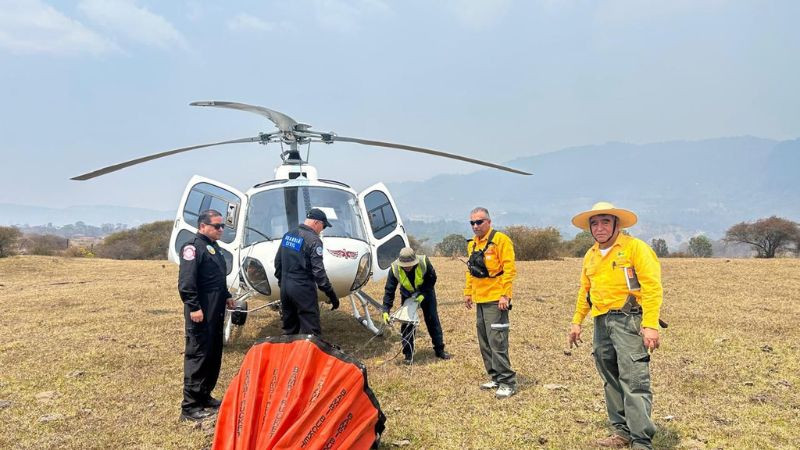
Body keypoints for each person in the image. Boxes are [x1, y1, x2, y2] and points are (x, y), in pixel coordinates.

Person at [567, 202, 664, 449]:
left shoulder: (635, 248)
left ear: (617, 225)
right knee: (610, 378)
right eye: (595, 223)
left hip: (629, 320)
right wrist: (577, 321)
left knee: (634, 379)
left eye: (605, 222)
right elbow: (585, 291)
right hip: (601, 322)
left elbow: (652, 288)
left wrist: (650, 324)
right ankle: (621, 432)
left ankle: (641, 440)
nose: (599, 228)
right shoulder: (590, 255)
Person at [178, 209, 234, 421]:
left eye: (222, 226)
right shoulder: (192, 248)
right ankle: (190, 406)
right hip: (201, 308)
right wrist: (194, 307)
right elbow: (186, 282)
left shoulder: (213, 246)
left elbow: (217, 276)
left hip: (216, 307)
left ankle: (204, 395)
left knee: (213, 353)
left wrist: (227, 295)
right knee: (199, 354)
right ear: (203, 226)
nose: (221, 230)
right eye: (217, 226)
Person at [463, 207, 517, 399]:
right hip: (480, 299)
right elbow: (471, 270)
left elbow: (509, 269)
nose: (475, 226)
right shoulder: (473, 244)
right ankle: (495, 376)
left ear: (489, 222)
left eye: (479, 222)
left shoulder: (501, 240)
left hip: (496, 300)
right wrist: (468, 292)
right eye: (472, 223)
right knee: (485, 341)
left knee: (497, 341)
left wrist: (505, 295)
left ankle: (507, 381)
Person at [274, 208, 339, 336]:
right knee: (311, 332)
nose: (322, 230)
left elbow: (278, 263)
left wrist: (284, 284)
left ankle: (289, 355)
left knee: (289, 330)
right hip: (303, 289)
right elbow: (319, 274)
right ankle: (310, 355)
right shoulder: (314, 240)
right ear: (316, 223)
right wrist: (331, 295)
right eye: (323, 226)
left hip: (286, 289)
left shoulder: (289, 235)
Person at [382, 247, 451, 364]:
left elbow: (432, 279)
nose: (407, 267)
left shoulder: (424, 262)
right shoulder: (394, 269)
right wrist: (385, 310)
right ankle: (408, 355)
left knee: (432, 320)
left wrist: (423, 294)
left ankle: (439, 350)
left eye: (410, 264)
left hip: (426, 292)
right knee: (407, 323)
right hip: (407, 294)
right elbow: (389, 289)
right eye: (405, 265)